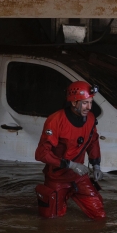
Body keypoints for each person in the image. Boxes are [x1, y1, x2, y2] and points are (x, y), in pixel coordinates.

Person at [34, 81, 105, 220]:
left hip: (79, 177)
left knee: (99, 215)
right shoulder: (55, 120)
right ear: (73, 103)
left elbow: (93, 142)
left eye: (91, 102)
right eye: (85, 103)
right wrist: (71, 165)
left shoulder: (90, 119)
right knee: (52, 221)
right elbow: (41, 154)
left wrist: (96, 165)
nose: (89, 107)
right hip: (57, 178)